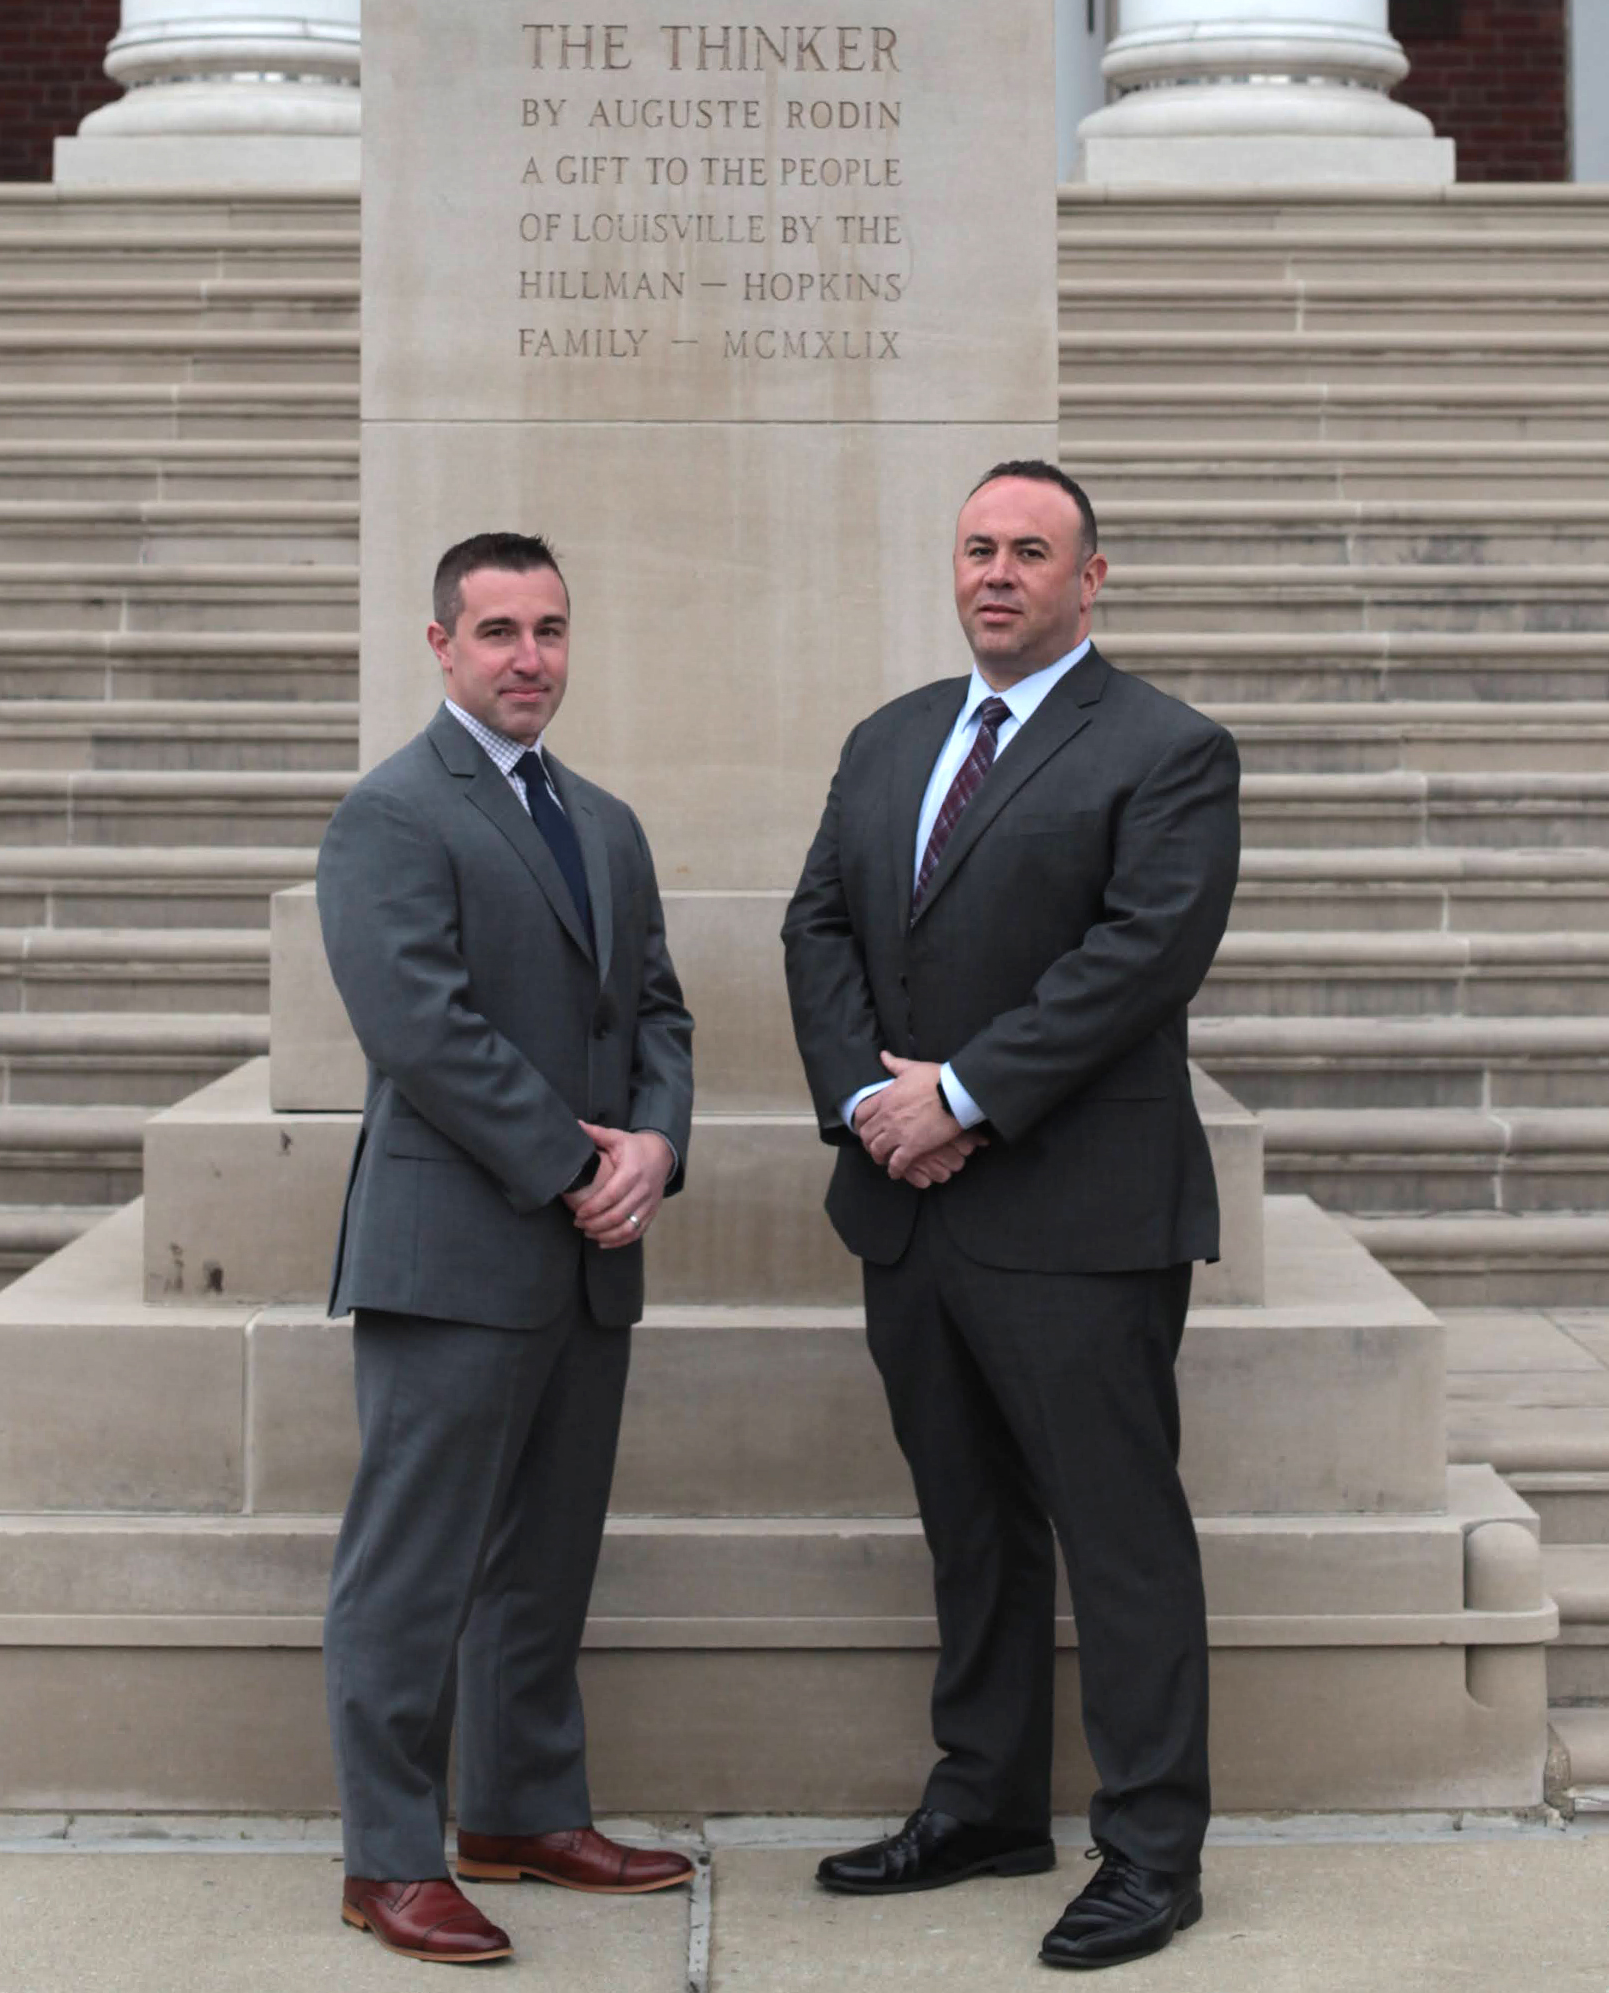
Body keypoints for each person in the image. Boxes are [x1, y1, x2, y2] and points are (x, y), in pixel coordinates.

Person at [782, 463, 1241, 1971]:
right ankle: (983, 1800)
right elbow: (821, 923)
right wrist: (870, 1100)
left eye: (1029, 550)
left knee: (1119, 1538)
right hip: (909, 1212)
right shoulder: (891, 735)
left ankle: (1152, 1851)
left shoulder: (1168, 748)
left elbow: (1139, 954)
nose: (997, 572)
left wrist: (961, 1093)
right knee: (968, 1525)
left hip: (1078, 1216)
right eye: (977, 546)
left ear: (1090, 575)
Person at [317, 531, 696, 1965]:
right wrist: (574, 1163)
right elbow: (421, 1028)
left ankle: (522, 1810)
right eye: (497, 631)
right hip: (454, 1248)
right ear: (441, 644)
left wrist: (653, 1143)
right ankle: (389, 1856)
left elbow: (657, 1007)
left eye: (547, 628)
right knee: (411, 1568)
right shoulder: (392, 813)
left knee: (544, 1554)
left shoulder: (601, 820)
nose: (528, 656)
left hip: (587, 1251)